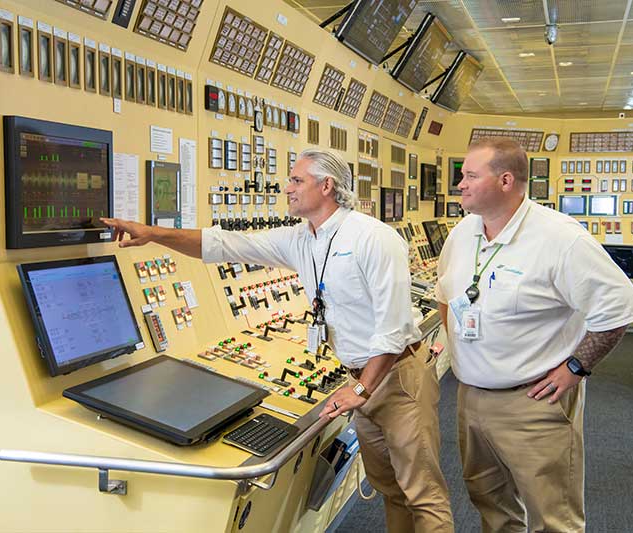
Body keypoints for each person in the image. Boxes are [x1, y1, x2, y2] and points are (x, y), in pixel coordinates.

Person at [102, 148, 454, 532]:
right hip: (360, 378)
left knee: (422, 492)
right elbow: (223, 245)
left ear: (327, 186)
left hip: (398, 377)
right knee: (389, 487)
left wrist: (362, 389)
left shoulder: (375, 239)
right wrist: (152, 234)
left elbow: (396, 329)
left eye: (297, 180)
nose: (287, 188)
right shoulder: (302, 239)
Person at [434, 137, 633, 532]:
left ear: (506, 181)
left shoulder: (561, 238)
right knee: (491, 505)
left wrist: (576, 367)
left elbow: (619, 308)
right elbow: (446, 293)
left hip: (534, 401)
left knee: (552, 517)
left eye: (470, 176)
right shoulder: (462, 233)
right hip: (471, 398)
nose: (459, 184)